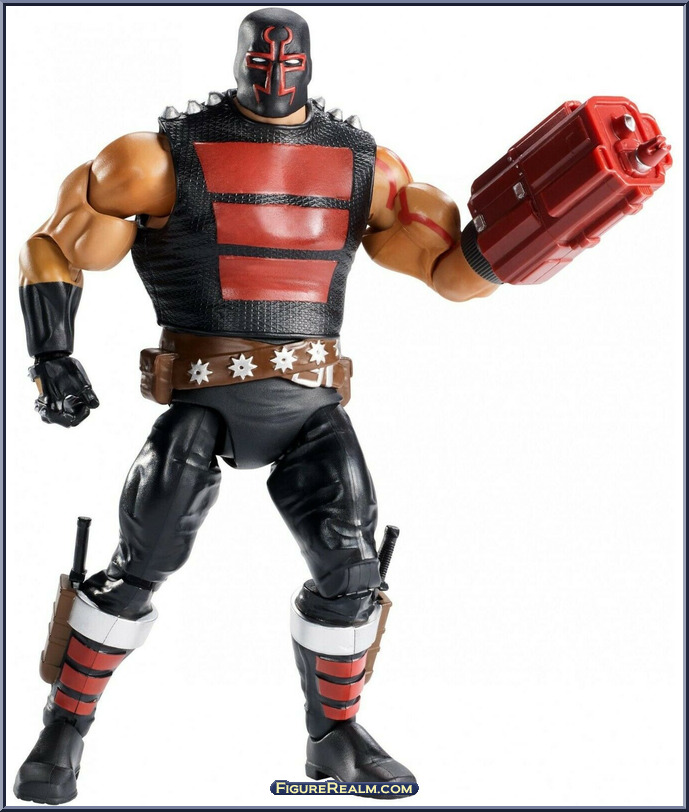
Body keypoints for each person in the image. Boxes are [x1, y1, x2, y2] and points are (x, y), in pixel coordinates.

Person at [13, 6, 671, 806]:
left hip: (309, 410)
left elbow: (452, 273)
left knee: (352, 571)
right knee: (138, 566)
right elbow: (55, 243)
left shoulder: (369, 170)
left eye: (289, 58)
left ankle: (335, 739)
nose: (274, 68)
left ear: (309, 63)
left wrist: (546, 222)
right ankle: (63, 730)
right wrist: (52, 355)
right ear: (239, 58)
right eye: (261, 56)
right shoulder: (152, 160)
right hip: (201, 403)